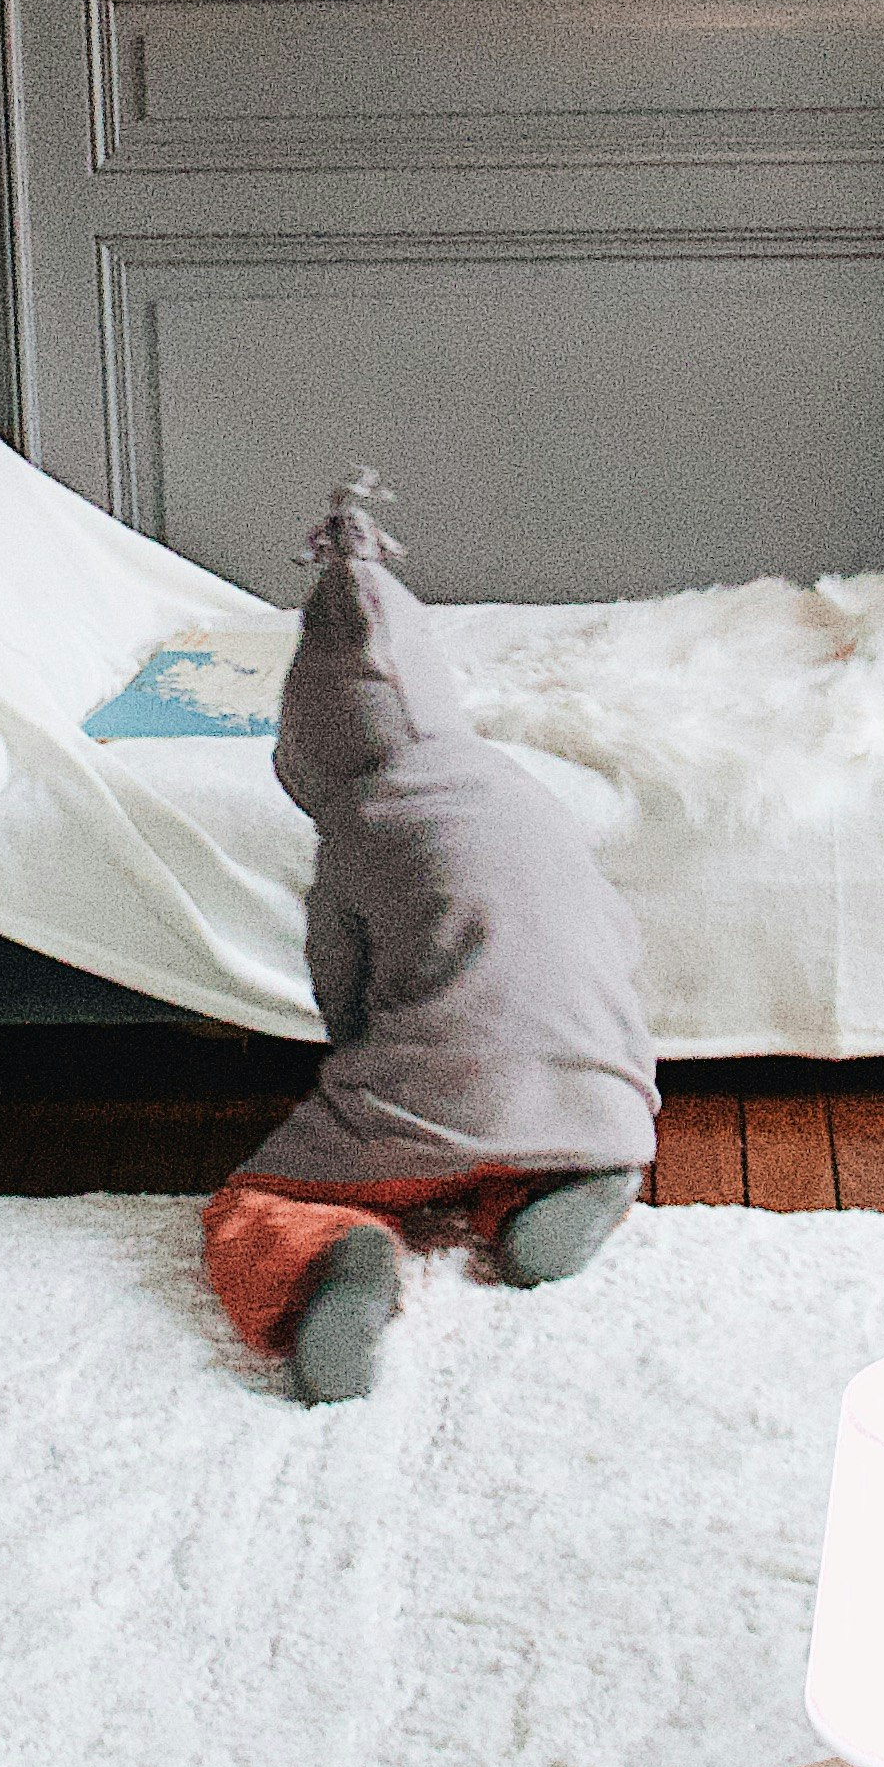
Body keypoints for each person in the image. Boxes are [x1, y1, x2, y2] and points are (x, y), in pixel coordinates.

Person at [201, 485, 656, 1404]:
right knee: (503, 1129)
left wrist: (361, 1067)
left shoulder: (363, 826)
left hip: (448, 1082)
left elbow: (343, 993)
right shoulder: (518, 787)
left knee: (264, 1202)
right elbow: (610, 931)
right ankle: (563, 1184)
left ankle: (338, 1260)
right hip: (602, 1087)